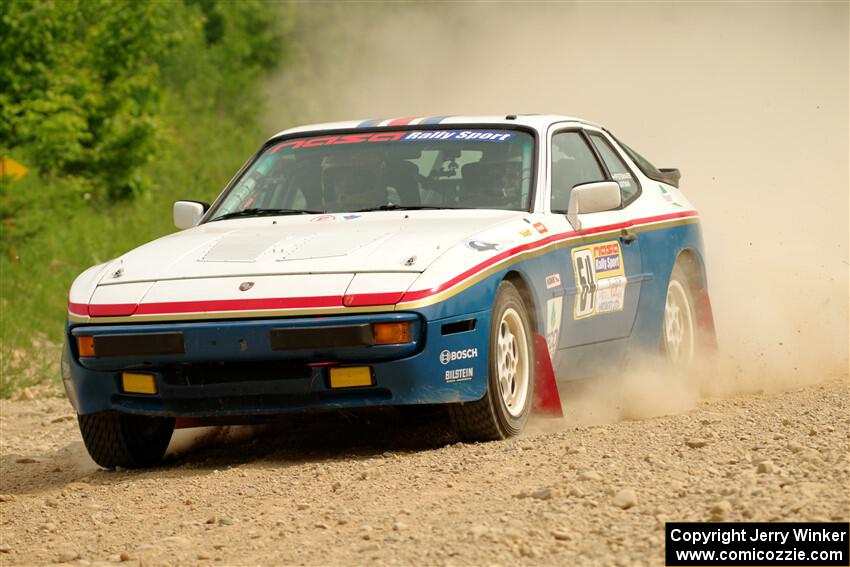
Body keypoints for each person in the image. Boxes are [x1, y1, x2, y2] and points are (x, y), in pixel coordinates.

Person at [321, 158, 387, 212]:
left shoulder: (391, 213)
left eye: (354, 177)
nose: (345, 184)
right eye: (338, 179)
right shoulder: (320, 215)